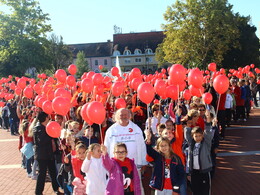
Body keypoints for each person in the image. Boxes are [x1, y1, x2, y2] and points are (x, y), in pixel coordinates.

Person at [184, 110, 216, 195]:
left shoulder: (206, 144)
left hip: (204, 171)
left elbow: (208, 133)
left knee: (205, 191)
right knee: (195, 191)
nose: (198, 138)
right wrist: (187, 126)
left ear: (202, 136)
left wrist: (208, 122)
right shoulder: (191, 144)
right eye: (196, 136)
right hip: (194, 172)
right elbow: (187, 135)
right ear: (193, 136)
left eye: (200, 136)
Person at [33, 111, 61, 195]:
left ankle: (56, 189)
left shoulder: (48, 127)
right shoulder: (38, 128)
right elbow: (41, 141)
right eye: (48, 117)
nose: (49, 119)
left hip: (50, 154)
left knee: (53, 173)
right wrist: (50, 134)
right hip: (42, 155)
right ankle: (38, 192)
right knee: (42, 174)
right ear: (45, 118)